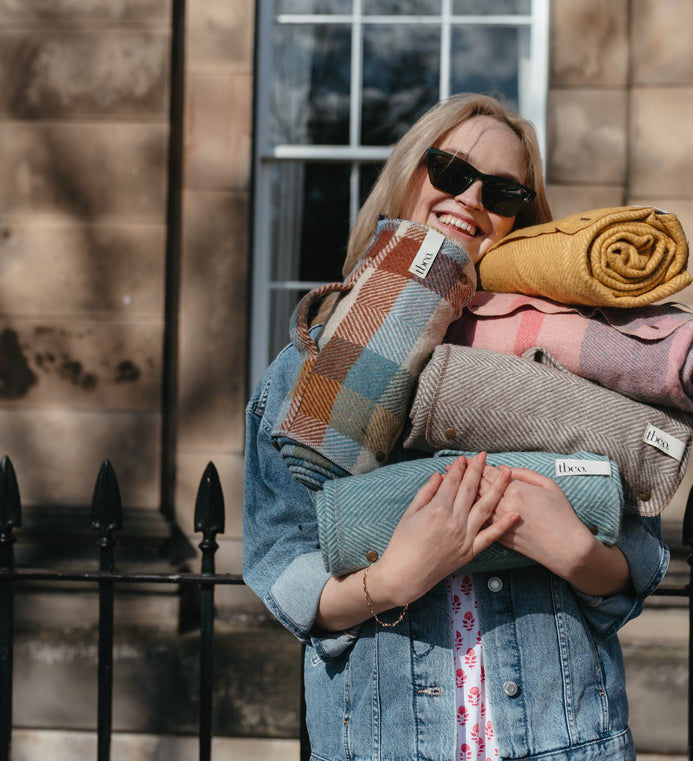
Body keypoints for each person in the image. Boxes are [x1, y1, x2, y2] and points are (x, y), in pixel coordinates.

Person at [243, 93, 669, 761]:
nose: (470, 197)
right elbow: (277, 560)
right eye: (449, 169)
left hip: (566, 742)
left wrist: (578, 552)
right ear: (408, 171)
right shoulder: (313, 367)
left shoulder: (565, 353)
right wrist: (389, 581)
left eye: (503, 191)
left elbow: (640, 555)